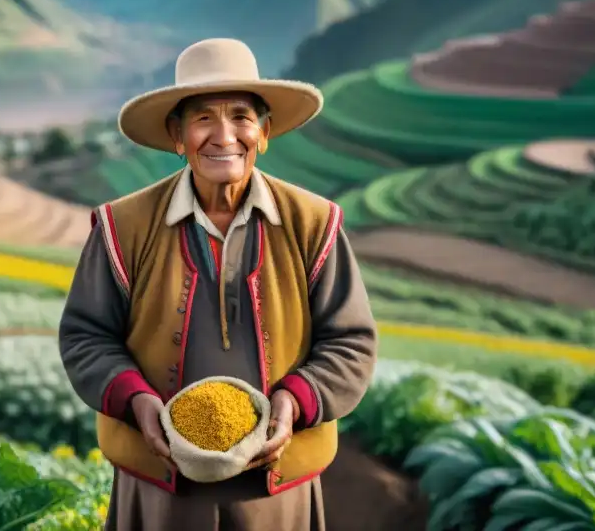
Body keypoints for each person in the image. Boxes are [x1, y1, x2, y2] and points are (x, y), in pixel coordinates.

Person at [59, 38, 378, 530]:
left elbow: (351, 341)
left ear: (264, 132)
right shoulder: (123, 228)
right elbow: (85, 336)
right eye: (204, 117)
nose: (224, 135)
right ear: (177, 134)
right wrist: (138, 402)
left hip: (276, 488)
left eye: (241, 117)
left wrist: (294, 401)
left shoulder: (314, 225)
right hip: (161, 486)